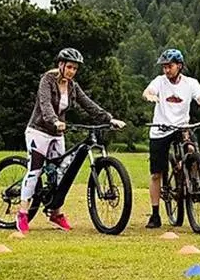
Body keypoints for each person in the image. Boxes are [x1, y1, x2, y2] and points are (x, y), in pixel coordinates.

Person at [16, 48, 126, 234]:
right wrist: (54, 121)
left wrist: (109, 119)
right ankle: (23, 212)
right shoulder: (47, 80)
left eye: (75, 68)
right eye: (69, 67)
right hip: (39, 131)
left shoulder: (72, 86)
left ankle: (55, 213)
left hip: (57, 133)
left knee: (60, 172)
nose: (71, 71)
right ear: (60, 65)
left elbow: (88, 104)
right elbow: (45, 104)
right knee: (35, 170)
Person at [142, 48, 200, 228]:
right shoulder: (159, 81)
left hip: (181, 127)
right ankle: (155, 214)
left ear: (179, 66)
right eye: (164, 67)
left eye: (169, 66)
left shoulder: (190, 83)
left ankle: (193, 181)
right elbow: (147, 91)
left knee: (192, 150)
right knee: (156, 173)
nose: (166, 70)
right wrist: (150, 96)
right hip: (161, 129)